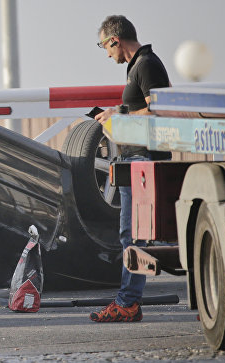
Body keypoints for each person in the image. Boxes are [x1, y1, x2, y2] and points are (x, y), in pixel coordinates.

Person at [91, 15, 171, 323]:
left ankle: (128, 302)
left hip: (142, 159)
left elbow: (161, 109)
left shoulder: (147, 64)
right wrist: (119, 116)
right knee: (131, 234)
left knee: (133, 235)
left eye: (104, 46)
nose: (106, 53)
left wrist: (118, 115)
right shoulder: (136, 65)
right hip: (133, 159)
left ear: (115, 40)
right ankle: (129, 301)